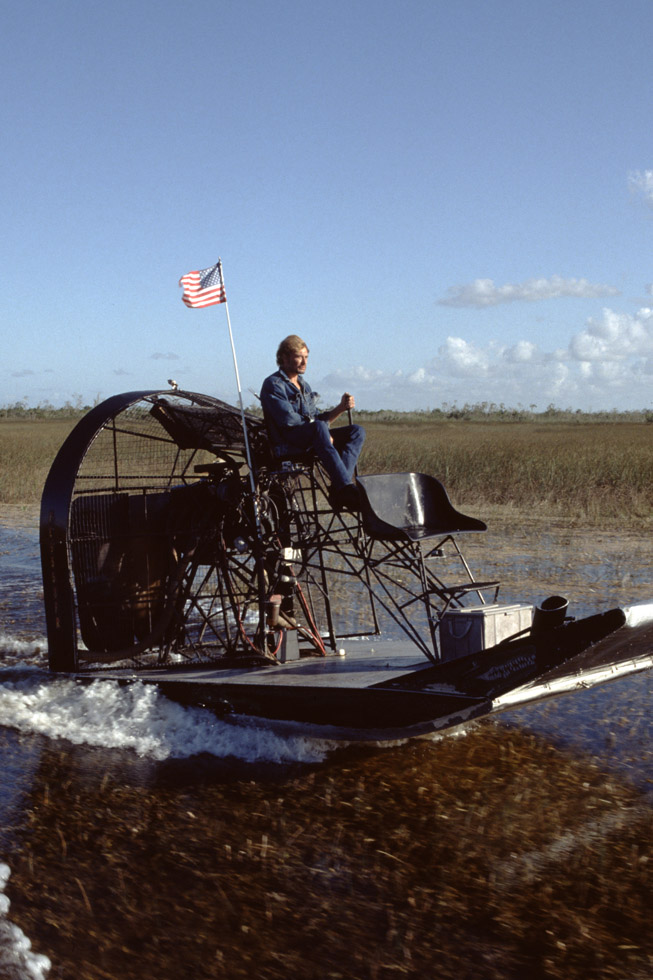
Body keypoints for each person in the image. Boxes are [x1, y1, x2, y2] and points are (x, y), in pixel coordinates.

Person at [260, 335, 365, 510]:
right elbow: (289, 421)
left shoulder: (304, 385)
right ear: (284, 358)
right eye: (299, 356)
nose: (304, 362)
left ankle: (340, 489)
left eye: (306, 357)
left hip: (310, 436)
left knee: (357, 431)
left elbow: (316, 417)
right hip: (287, 444)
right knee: (318, 427)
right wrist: (321, 431)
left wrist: (340, 408)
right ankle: (345, 488)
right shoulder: (273, 384)